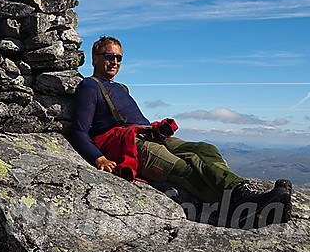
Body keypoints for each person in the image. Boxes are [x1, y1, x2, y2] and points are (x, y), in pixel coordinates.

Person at [69, 35, 292, 226]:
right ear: (95, 58)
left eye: (119, 58)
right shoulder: (90, 86)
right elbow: (79, 131)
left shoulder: (121, 87)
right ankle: (241, 208)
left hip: (149, 135)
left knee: (205, 150)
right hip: (130, 145)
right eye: (109, 56)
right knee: (184, 168)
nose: (115, 62)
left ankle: (242, 192)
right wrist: (99, 159)